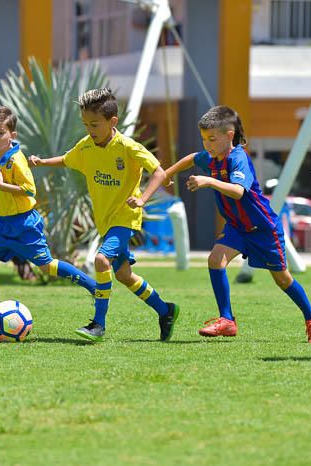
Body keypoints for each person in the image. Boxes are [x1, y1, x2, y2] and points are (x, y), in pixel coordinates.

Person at [163, 106, 311, 343]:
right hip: (237, 228)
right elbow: (192, 159)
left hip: (263, 229)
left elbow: (238, 192)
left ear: (229, 136)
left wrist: (208, 181)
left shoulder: (238, 158)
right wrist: (168, 173)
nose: (206, 144)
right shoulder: (211, 158)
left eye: (211, 139)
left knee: (282, 279)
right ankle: (227, 320)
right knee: (215, 259)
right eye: (204, 139)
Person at [28, 88, 179, 343]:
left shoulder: (128, 147)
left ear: (113, 122)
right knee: (124, 276)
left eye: (95, 124)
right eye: (86, 124)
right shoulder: (86, 146)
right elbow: (67, 159)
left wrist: (141, 199)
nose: (90, 129)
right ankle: (166, 311)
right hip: (105, 223)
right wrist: (42, 163)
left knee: (100, 260)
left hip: (125, 219)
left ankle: (98, 324)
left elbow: (160, 172)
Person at [0, 106, 96, 332]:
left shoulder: (16, 159)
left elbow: (29, 190)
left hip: (24, 224)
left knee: (47, 266)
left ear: (12, 135)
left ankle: (94, 287)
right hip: (2, 225)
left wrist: (2, 186)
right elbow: (1, 186)